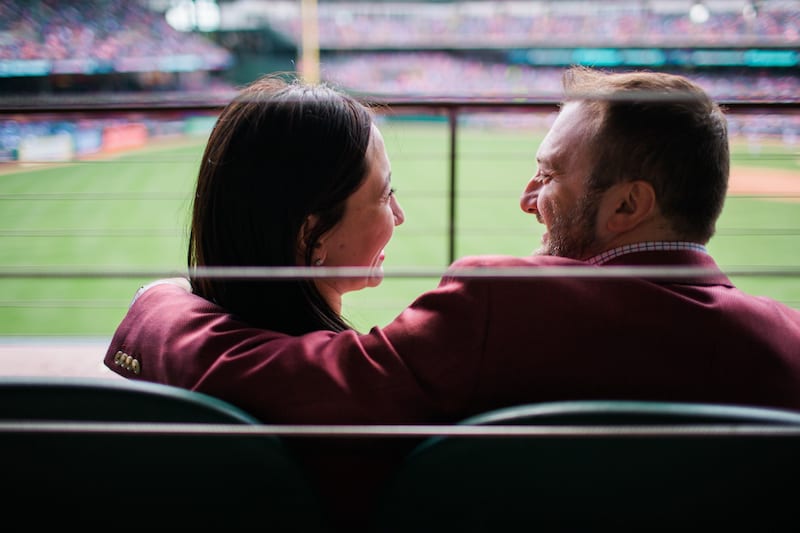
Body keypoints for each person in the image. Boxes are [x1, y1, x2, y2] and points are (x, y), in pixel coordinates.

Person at [105, 67, 800, 531]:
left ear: (627, 205)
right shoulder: (785, 347)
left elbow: (299, 387)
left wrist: (156, 304)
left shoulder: (507, 305)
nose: (527, 200)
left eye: (548, 175)